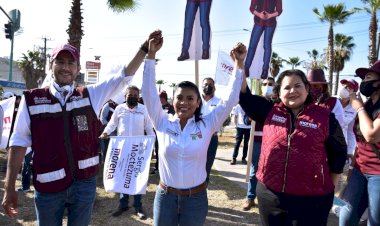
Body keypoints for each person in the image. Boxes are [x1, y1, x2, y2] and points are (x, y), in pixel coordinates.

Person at [2, 30, 158, 225]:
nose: (65, 67)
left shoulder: (89, 94)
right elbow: (18, 143)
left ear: (77, 69)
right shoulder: (31, 99)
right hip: (48, 187)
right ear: (51, 65)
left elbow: (123, 77)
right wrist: (9, 188)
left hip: (84, 185)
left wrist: (144, 49)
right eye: (60, 62)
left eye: (71, 63)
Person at [140, 31, 245, 226]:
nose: (184, 103)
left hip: (195, 200)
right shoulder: (162, 122)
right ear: (173, 101)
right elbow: (148, 93)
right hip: (165, 198)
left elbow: (231, 99)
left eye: (190, 98)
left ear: (198, 103)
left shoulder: (207, 124)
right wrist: (150, 56)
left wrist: (238, 65)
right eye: (179, 98)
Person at [240, 69, 347, 225]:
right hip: (270, 196)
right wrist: (239, 64)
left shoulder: (325, 117)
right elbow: (244, 96)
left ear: (307, 88)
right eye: (287, 87)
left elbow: (339, 154)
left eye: (298, 86)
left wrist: (329, 188)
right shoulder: (269, 111)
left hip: (312, 200)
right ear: (278, 92)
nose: (292, 91)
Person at [99, 85, 154, 219]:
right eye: (130, 95)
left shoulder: (143, 110)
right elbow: (112, 124)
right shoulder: (119, 109)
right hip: (123, 149)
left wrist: (151, 145)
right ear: (125, 97)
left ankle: (138, 206)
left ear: (138, 97)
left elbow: (148, 127)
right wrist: (105, 132)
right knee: (123, 176)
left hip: (138, 150)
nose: (133, 97)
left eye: (135, 95)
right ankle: (123, 205)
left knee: (136, 177)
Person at [339, 61, 380, 226]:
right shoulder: (367, 105)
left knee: (374, 222)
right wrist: (351, 170)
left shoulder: (362, 108)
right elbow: (360, 141)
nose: (364, 82)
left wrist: (359, 109)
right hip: (359, 170)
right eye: (363, 79)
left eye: (368, 77)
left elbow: (371, 135)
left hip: (378, 173)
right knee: (346, 218)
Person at [243, 76, 274, 211]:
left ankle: (269, 200)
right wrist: (250, 118)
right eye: (266, 83)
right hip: (257, 141)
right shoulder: (255, 101)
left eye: (271, 84)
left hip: (272, 143)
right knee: (254, 171)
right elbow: (245, 120)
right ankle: (250, 198)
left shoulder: (278, 104)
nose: (268, 86)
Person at [245, 0, 282, 79]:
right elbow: (251, 8)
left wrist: (270, 15)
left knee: (267, 45)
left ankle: (265, 70)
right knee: (252, 45)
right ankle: (246, 67)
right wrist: (259, 14)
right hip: (258, 21)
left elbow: (279, 10)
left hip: (270, 23)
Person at [201, 77, 222, 183]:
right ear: (201, 86)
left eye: (210, 84)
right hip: (196, 137)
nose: (207, 86)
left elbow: (222, 118)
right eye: (205, 84)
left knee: (207, 165)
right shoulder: (196, 101)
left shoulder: (219, 102)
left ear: (214, 87)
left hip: (212, 138)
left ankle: (203, 187)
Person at [151, 91, 175, 175]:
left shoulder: (170, 107)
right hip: (156, 132)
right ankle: (157, 168)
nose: (158, 99)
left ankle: (166, 169)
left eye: (160, 98)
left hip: (167, 133)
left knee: (165, 151)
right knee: (157, 150)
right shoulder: (157, 107)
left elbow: (172, 118)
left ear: (163, 98)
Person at [99, 99, 118, 163]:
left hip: (117, 133)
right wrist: (111, 127)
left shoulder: (122, 106)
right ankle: (105, 161)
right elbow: (102, 119)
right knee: (105, 148)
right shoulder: (108, 105)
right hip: (107, 132)